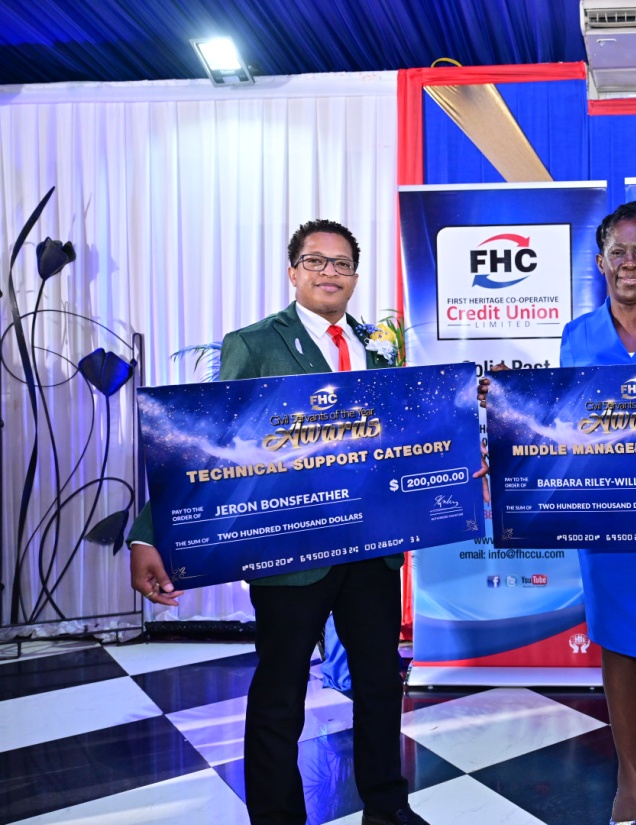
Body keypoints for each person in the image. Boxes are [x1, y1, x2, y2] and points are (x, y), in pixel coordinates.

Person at [128, 219, 428, 825]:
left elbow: (400, 438)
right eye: (316, 262)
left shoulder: (376, 348)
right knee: (281, 694)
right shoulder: (257, 343)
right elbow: (209, 444)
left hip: (370, 550)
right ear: (293, 273)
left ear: (355, 276)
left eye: (342, 264)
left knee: (377, 684)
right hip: (290, 555)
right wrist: (146, 531)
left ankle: (387, 807)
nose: (329, 273)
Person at [482, 202, 636, 825]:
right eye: (619, 252)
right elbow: (563, 426)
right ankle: (629, 776)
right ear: (601, 261)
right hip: (605, 517)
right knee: (616, 646)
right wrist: (512, 413)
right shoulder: (577, 334)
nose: (630, 263)